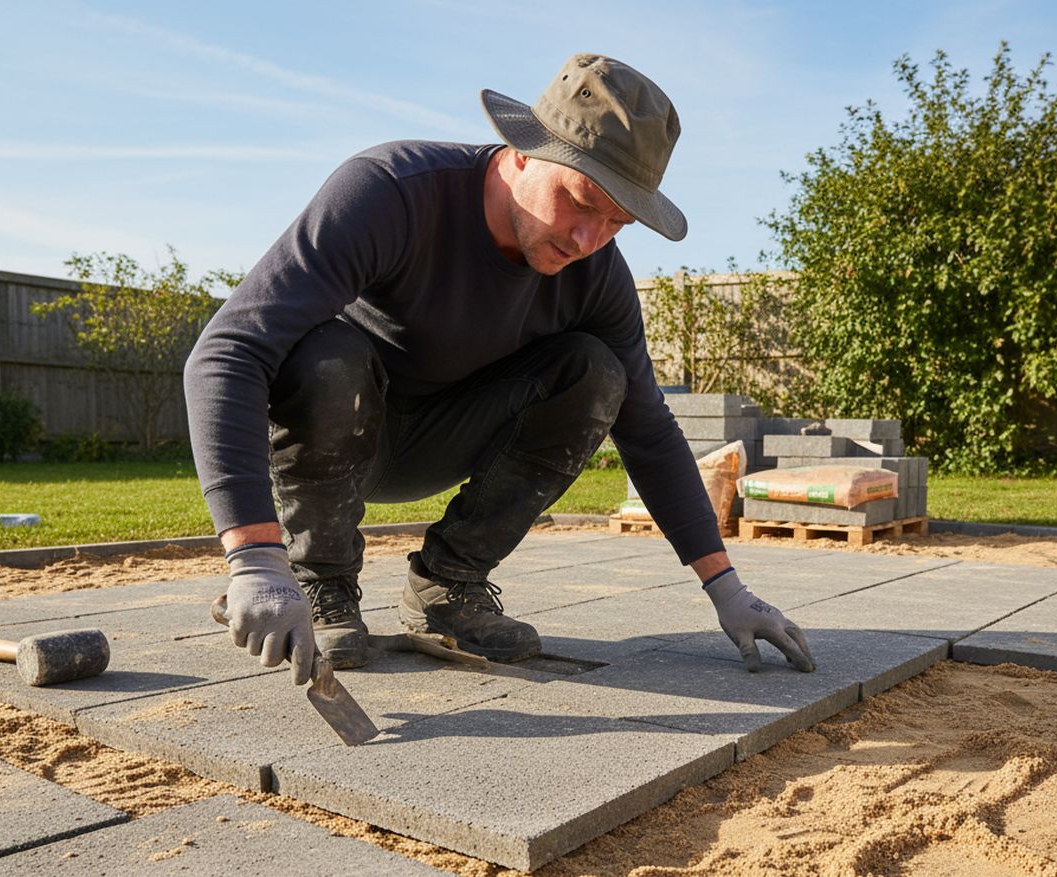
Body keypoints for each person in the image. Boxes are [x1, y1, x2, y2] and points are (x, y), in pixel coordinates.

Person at [184, 53, 815, 686]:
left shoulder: (595, 277)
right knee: (326, 354)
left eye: (616, 224)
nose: (587, 240)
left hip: (443, 442)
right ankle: (320, 582)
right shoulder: (391, 191)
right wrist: (255, 558)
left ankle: (448, 587)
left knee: (599, 373)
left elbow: (649, 429)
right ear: (521, 152)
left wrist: (726, 587)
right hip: (335, 432)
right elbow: (228, 351)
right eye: (580, 201)